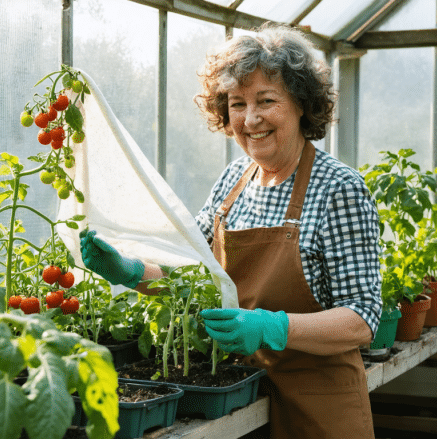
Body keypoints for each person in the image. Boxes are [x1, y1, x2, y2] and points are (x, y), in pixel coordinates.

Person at [80, 23, 382, 439]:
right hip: (239, 393)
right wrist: (131, 272)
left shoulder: (338, 188)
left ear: (301, 105)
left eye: (266, 100)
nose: (251, 118)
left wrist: (272, 327)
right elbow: (192, 278)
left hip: (319, 404)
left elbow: (361, 319)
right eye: (237, 104)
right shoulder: (232, 183)